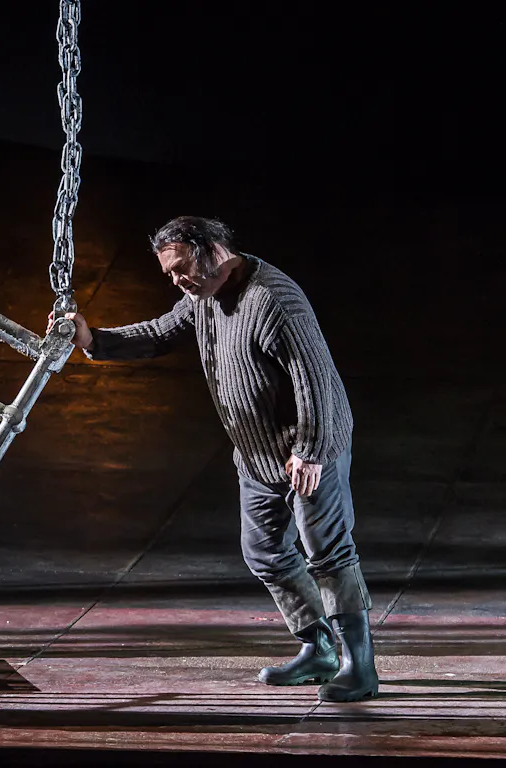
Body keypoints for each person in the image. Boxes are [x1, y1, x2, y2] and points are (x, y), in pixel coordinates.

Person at [50, 216, 378, 702]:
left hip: (308, 449)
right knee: (264, 551)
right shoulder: (203, 298)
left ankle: (361, 666)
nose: (178, 280)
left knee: (328, 553)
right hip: (256, 452)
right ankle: (320, 647)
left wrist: (310, 451)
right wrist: (94, 339)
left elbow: (316, 381)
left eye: (182, 268)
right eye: (170, 275)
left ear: (215, 250)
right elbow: (161, 331)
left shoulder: (273, 300)